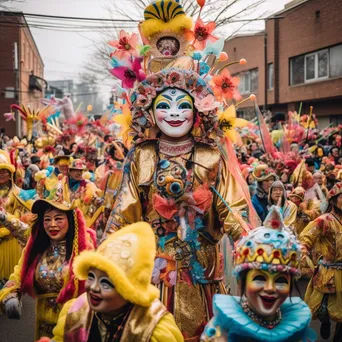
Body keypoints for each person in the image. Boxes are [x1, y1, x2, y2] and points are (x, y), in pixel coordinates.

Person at [105, 1, 248, 339]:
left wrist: (253, 245)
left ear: (197, 112)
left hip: (203, 275)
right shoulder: (142, 157)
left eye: (183, 105)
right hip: (154, 271)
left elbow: (233, 211)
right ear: (149, 113)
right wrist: (108, 256)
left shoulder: (211, 157)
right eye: (163, 105)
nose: (173, 113)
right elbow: (124, 214)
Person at [40, 222, 183, 342]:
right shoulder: (76, 311)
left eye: (105, 283)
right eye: (91, 277)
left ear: (129, 290)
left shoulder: (154, 327)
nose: (94, 288)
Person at [201, 206, 316, 341]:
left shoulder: (296, 328)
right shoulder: (221, 333)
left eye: (281, 281)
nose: (270, 288)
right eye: (260, 278)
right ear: (242, 280)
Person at [0, 199, 96, 339]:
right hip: (43, 325)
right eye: (47, 219)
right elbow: (19, 272)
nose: (52, 224)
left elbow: (93, 288)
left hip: (73, 326)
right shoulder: (37, 247)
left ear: (70, 220)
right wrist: (11, 295)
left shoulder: (84, 248)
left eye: (58, 219)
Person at [300, 182, 342, 342]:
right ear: (333, 200)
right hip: (328, 274)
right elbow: (305, 238)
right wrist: (303, 251)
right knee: (324, 310)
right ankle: (325, 322)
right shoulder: (324, 220)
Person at [0, 150, 31, 287]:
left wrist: (7, 230)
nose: (2, 174)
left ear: (10, 173)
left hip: (12, 240)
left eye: (5, 171)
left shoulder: (20, 194)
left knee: (10, 281)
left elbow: (26, 219)